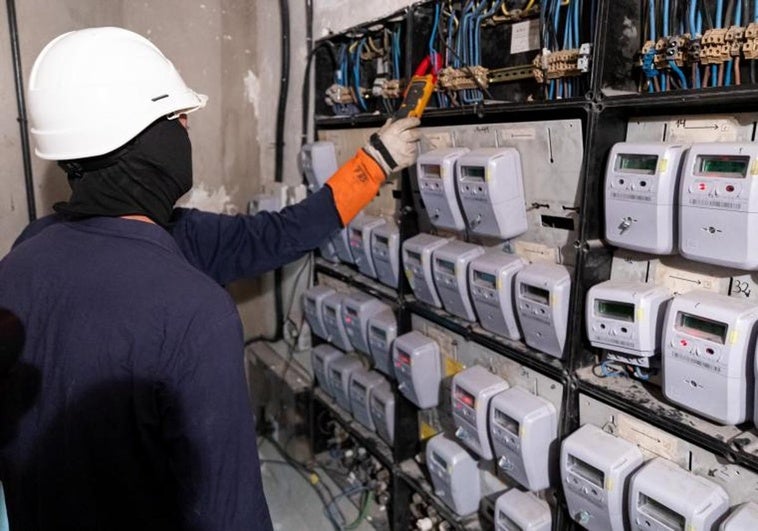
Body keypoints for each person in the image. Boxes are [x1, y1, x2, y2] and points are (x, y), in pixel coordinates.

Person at [0, 26, 420, 531]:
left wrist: (371, 164)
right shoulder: (193, 311)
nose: (186, 132)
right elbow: (228, 514)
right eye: (177, 119)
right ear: (143, 139)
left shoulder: (24, 256)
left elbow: (276, 235)